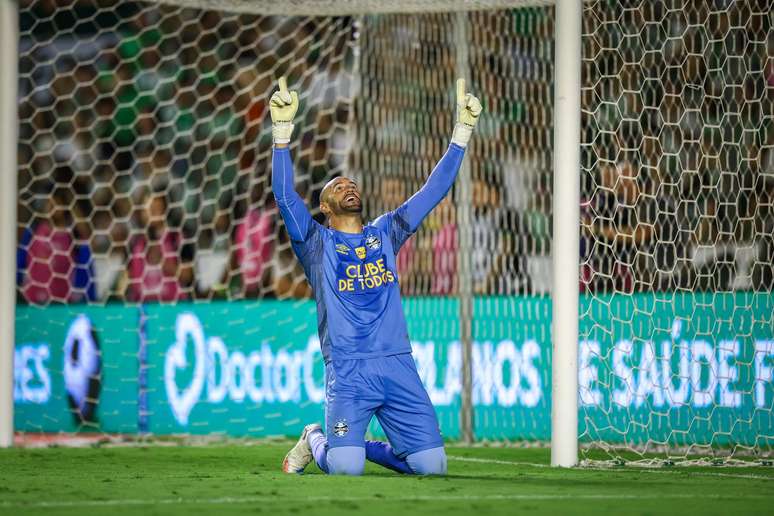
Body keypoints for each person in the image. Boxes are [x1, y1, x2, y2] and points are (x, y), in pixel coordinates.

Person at [271, 77, 481, 475]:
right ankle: (316, 437)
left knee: (432, 466)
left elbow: (432, 191)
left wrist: (462, 132)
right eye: (337, 186)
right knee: (344, 470)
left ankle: (353, 445)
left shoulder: (385, 232)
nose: (347, 186)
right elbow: (283, 196)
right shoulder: (315, 243)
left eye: (351, 183)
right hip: (349, 370)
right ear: (325, 208)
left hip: (397, 364)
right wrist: (282, 134)